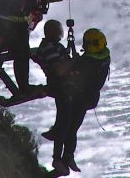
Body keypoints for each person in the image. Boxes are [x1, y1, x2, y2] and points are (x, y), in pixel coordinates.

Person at [35, 21, 110, 176]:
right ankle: (60, 160)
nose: (62, 32)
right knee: (65, 126)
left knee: (70, 127)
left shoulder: (92, 59)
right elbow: (59, 69)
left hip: (79, 95)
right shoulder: (50, 48)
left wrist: (73, 59)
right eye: (59, 30)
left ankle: (66, 158)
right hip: (69, 92)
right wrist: (75, 61)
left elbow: (71, 66)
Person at [0, 0, 74, 95]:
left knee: (25, 53)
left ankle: (24, 85)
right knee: (19, 52)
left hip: (20, 23)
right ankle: (23, 87)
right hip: (4, 22)